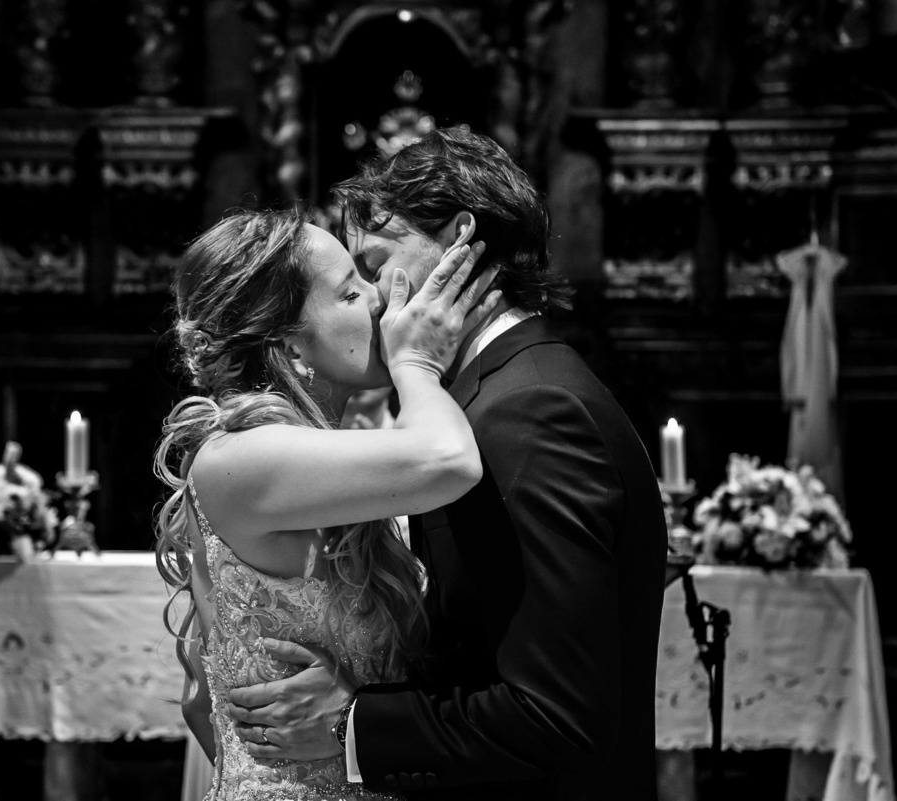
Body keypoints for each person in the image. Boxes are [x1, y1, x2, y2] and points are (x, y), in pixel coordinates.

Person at [224, 127, 669, 801]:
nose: (372, 299)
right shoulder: (496, 394)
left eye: (375, 266)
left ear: (459, 237)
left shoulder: (530, 412)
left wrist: (353, 724)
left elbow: (558, 713)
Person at [153, 207, 502, 800]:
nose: (379, 300)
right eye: (348, 292)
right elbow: (449, 461)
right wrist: (417, 364)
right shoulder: (239, 458)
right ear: (289, 345)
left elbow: (199, 702)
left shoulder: (315, 452)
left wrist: (349, 719)